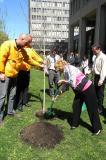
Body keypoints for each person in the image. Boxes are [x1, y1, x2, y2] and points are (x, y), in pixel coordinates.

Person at [0, 34, 44, 123]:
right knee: (2, 96)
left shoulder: (22, 50)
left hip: (15, 75)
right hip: (6, 75)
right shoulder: (7, 44)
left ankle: (10, 112)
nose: (27, 45)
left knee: (12, 95)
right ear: (22, 39)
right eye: (26, 43)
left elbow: (29, 60)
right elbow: (1, 59)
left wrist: (40, 64)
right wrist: (1, 72)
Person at [54, 59, 102, 135]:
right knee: (76, 106)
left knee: (91, 108)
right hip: (80, 91)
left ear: (61, 67)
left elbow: (72, 83)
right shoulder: (65, 72)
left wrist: (63, 81)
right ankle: (75, 124)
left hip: (88, 88)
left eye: (59, 70)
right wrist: (59, 93)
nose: (59, 72)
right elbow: (66, 86)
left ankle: (97, 129)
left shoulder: (71, 68)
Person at [16, 46, 44, 112]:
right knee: (20, 88)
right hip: (20, 70)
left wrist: (42, 61)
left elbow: (35, 57)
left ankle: (25, 102)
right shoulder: (20, 48)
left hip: (27, 70)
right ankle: (19, 104)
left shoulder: (30, 49)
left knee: (26, 87)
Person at [92, 44, 106, 115]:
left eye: (94, 51)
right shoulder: (95, 57)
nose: (93, 52)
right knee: (95, 92)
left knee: (100, 93)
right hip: (96, 77)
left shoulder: (103, 57)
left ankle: (100, 108)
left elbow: (104, 69)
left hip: (101, 77)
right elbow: (94, 67)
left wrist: (101, 80)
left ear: (99, 49)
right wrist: (92, 76)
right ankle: (96, 106)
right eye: (93, 51)